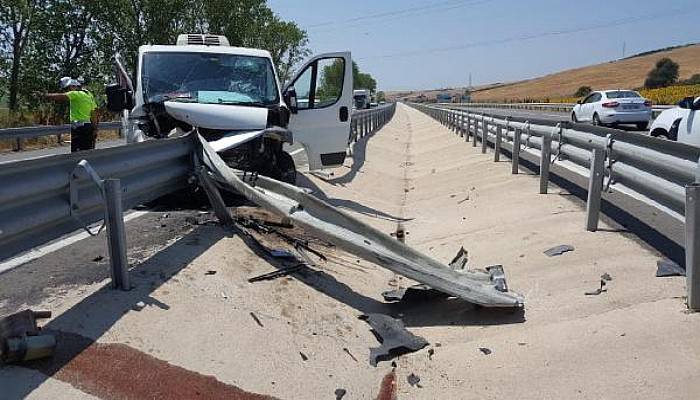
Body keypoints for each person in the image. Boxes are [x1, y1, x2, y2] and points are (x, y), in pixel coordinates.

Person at [39, 77, 99, 152]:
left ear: (73, 86)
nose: (68, 91)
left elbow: (61, 96)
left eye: (68, 88)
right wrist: (95, 128)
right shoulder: (88, 94)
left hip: (79, 128)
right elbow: (94, 113)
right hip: (88, 126)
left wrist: (44, 95)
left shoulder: (75, 94)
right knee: (88, 151)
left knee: (76, 153)